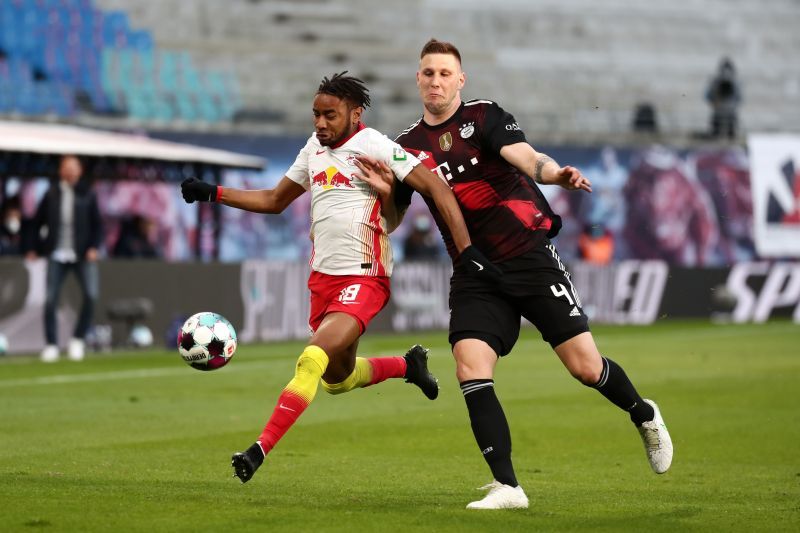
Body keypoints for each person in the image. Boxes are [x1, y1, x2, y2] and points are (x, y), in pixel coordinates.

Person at [358, 39, 673, 509]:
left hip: (527, 256)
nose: (436, 81)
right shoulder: (405, 147)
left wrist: (553, 174)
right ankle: (508, 487)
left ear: (460, 80)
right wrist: (386, 192)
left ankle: (643, 413)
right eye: (428, 73)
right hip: (473, 270)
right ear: (418, 80)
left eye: (445, 73)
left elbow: (525, 156)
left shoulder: (483, 117)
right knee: (470, 367)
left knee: (585, 368)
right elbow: (395, 218)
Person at [180, 72, 497, 484]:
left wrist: (466, 251)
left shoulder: (377, 146)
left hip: (366, 277)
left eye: (329, 115)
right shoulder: (314, 148)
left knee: (312, 358)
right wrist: (213, 193)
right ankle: (408, 366)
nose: (320, 123)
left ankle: (259, 450)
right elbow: (276, 200)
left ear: (354, 113)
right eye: (316, 115)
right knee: (337, 380)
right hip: (322, 280)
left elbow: (436, 188)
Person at [25, 155, 102, 362]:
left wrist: (94, 247)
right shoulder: (51, 193)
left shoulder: (88, 194)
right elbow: (36, 222)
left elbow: (98, 225)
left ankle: (78, 339)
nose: (69, 172)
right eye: (65, 168)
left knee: (91, 295)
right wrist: (32, 247)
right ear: (60, 171)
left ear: (79, 171)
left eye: (73, 168)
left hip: (82, 253)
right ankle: (51, 344)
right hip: (57, 253)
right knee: (50, 299)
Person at [705, 57, 741, 139]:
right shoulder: (715, 82)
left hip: (729, 112)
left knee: (731, 136)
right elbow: (707, 96)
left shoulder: (735, 83)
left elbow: (739, 98)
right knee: (715, 135)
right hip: (719, 111)